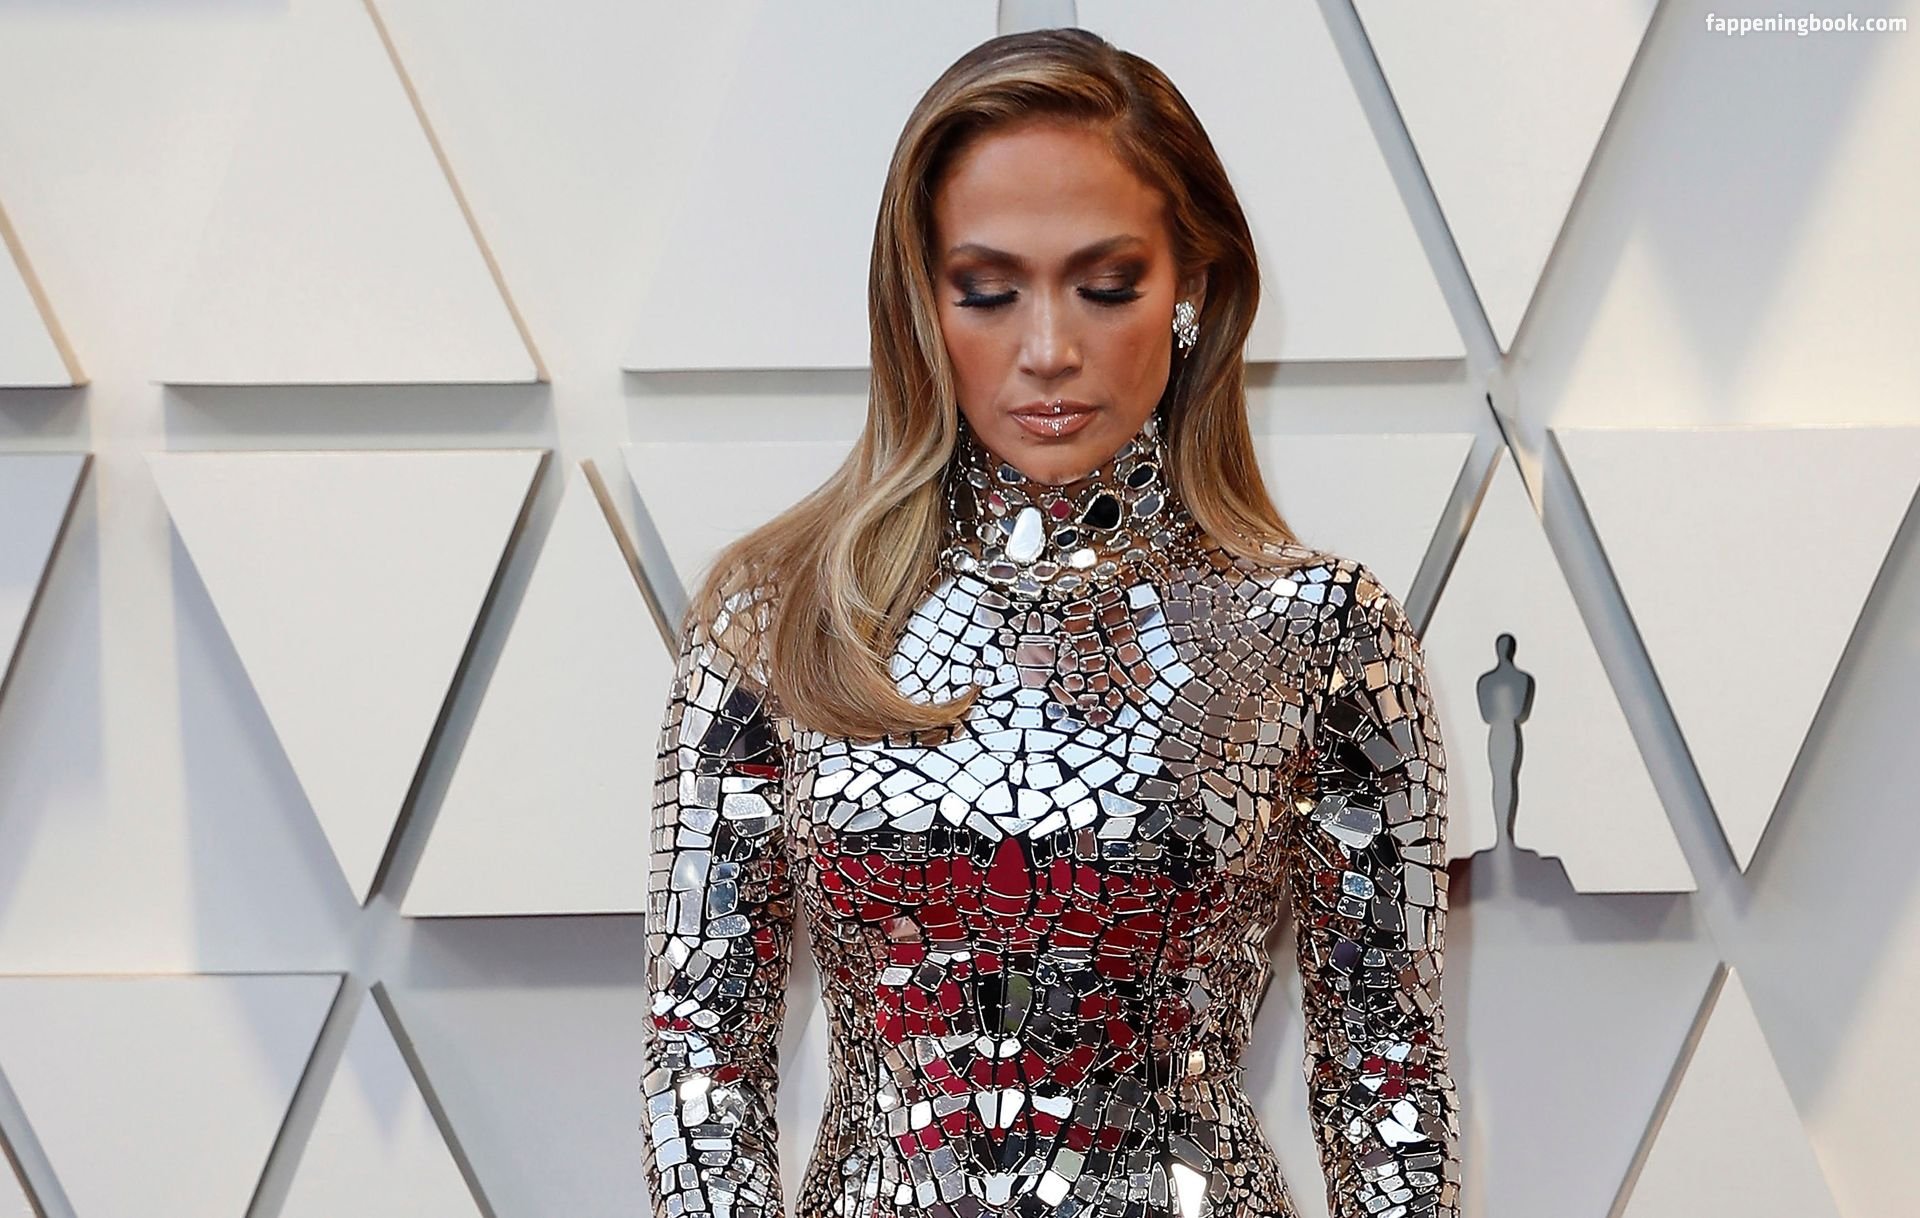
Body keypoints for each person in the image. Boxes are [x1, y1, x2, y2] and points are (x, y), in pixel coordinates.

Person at [640, 27, 1460, 1218]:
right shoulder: (782, 619)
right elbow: (700, 1054)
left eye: (1106, 285)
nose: (1048, 351)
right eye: (987, 291)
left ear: (1192, 289)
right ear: (919, 303)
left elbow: (1387, 1068)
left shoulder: (1319, 630)